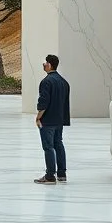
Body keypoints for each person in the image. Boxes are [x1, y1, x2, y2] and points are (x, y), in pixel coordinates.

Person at [34, 54, 70, 184]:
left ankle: (50, 176)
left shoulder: (46, 82)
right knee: (58, 144)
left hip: (48, 120)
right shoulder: (64, 82)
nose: (43, 65)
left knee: (48, 147)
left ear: (49, 65)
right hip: (59, 120)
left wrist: (38, 117)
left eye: (45, 63)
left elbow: (43, 102)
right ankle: (62, 174)